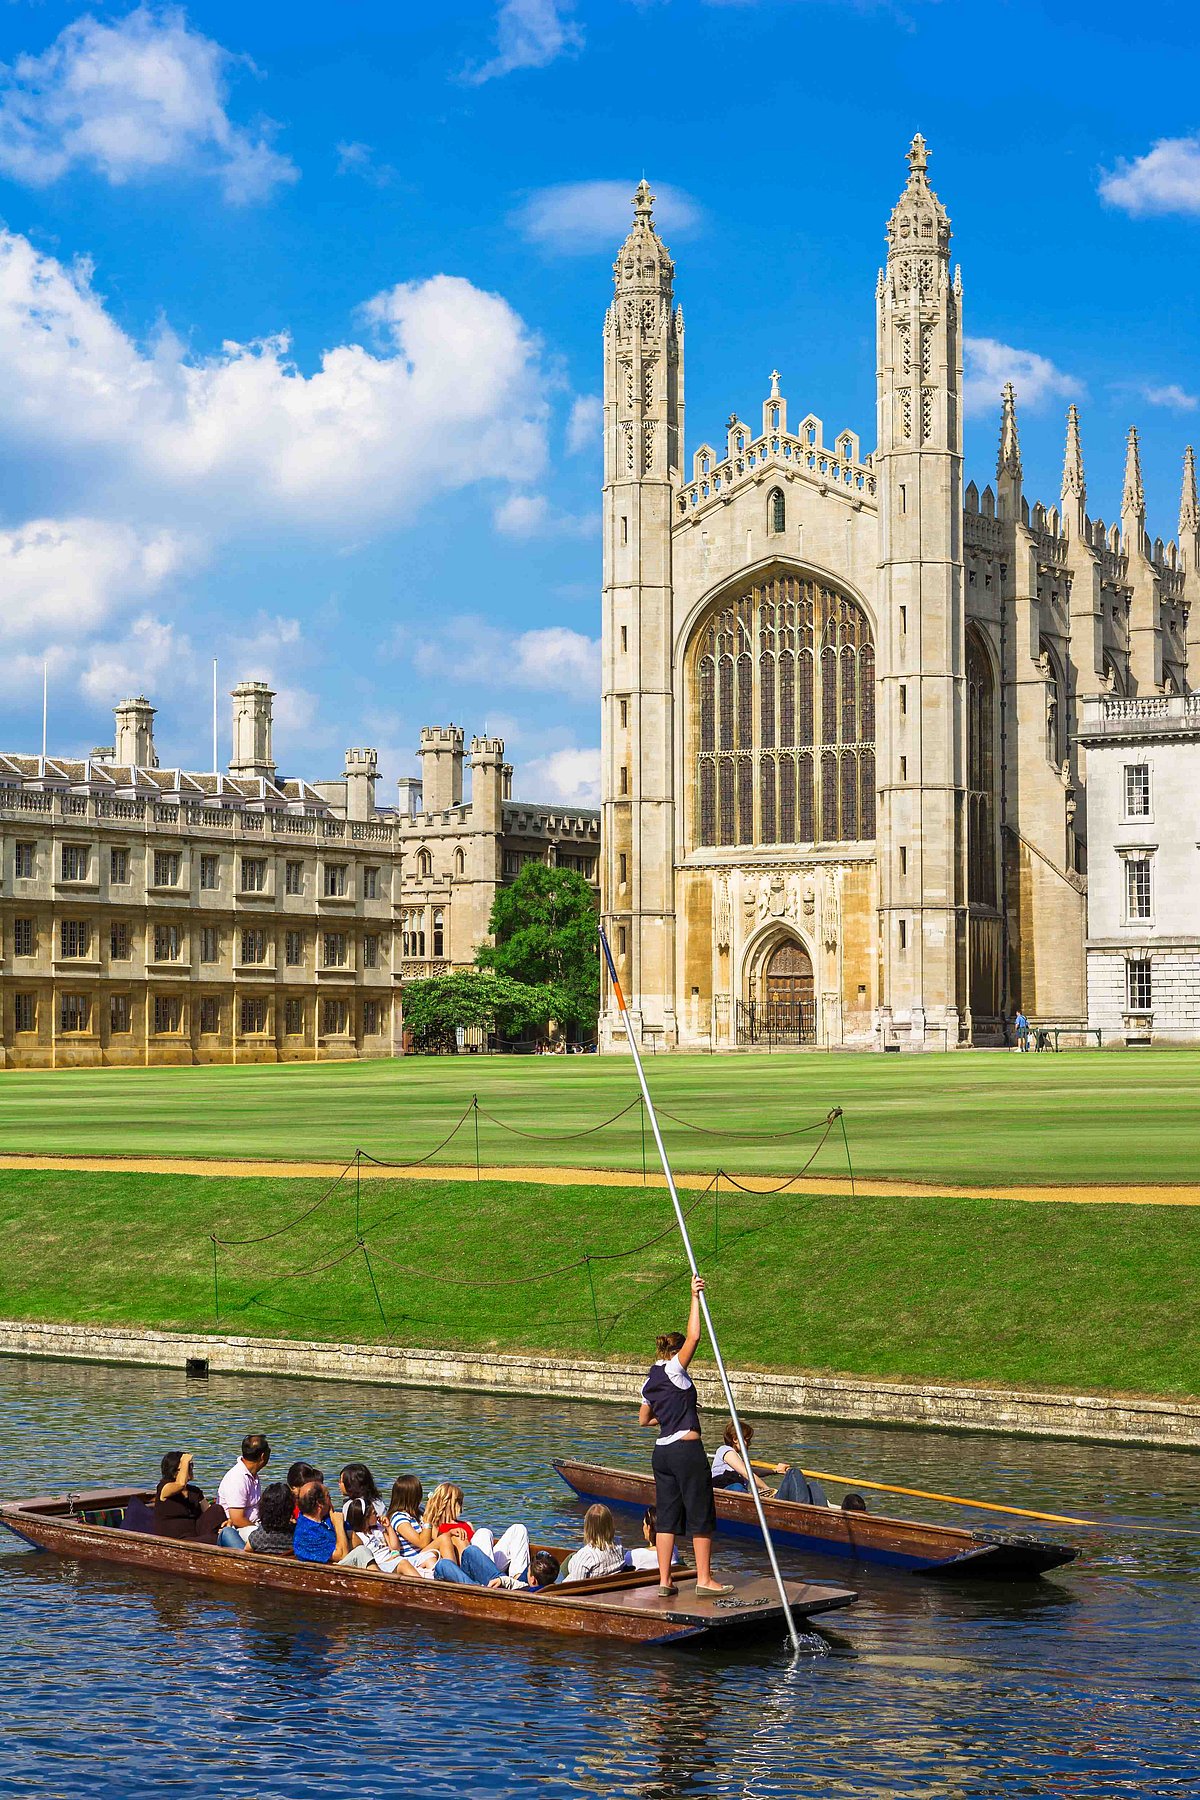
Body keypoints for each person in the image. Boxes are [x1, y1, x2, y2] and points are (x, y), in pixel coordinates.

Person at [638, 1273, 732, 1598]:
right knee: (700, 1512)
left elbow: (644, 1420)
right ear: (675, 1352)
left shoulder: (648, 1379)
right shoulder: (675, 1369)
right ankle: (704, 1579)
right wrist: (694, 1296)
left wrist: (671, 1414)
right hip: (685, 1451)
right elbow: (695, 1337)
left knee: (666, 1517)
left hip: (661, 1453)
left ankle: (665, 1581)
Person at [216, 1433, 271, 1550]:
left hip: (254, 1525)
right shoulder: (238, 1478)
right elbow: (237, 1519)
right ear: (263, 1456)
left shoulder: (253, 1475)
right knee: (267, 1538)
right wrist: (259, 1532)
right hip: (239, 1528)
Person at [710, 1421, 789, 1496]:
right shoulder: (725, 1450)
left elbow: (752, 1471)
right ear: (735, 1439)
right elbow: (746, 1473)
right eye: (747, 1440)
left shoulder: (738, 1459)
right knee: (738, 1487)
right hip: (724, 1488)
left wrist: (775, 1470)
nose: (749, 1444)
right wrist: (767, 1489)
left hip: (736, 1488)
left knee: (741, 1488)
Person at [292, 1480, 350, 1564]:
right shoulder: (306, 1533)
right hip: (326, 1573)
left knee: (362, 1551)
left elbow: (358, 1543)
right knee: (361, 1553)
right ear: (319, 1503)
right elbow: (343, 1556)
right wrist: (338, 1525)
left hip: (341, 1567)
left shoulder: (327, 1519)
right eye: (328, 1496)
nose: (331, 1500)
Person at [153, 1451, 207, 1541]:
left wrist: (225, 1522)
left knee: (216, 1510)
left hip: (195, 1536)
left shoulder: (195, 1491)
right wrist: (185, 1460)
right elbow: (180, 1484)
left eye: (191, 1466)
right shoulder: (164, 1487)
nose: (190, 1469)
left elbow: (208, 1511)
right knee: (213, 1540)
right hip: (174, 1539)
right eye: (186, 1468)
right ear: (174, 1472)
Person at [563, 1505, 625, 1582]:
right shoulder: (618, 1544)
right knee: (572, 1557)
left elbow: (573, 1585)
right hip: (609, 1588)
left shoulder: (586, 1555)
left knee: (567, 1562)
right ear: (610, 1524)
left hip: (588, 1592)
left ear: (587, 1527)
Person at [245, 1482, 298, 1556]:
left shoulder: (256, 1537)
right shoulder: (297, 1535)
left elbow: (246, 1552)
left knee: (228, 1531)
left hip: (261, 1565)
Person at [623, 1507, 678, 1573]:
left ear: (649, 1528)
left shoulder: (634, 1555)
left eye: (644, 1524)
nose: (643, 1527)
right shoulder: (673, 1550)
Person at [488, 1550, 561, 1593]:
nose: (526, 1572)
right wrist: (503, 1580)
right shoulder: (555, 1589)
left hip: (497, 1585)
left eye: (528, 1572)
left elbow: (523, 1587)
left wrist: (503, 1581)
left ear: (532, 1580)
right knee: (542, 1553)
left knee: (475, 1551)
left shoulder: (523, 1591)